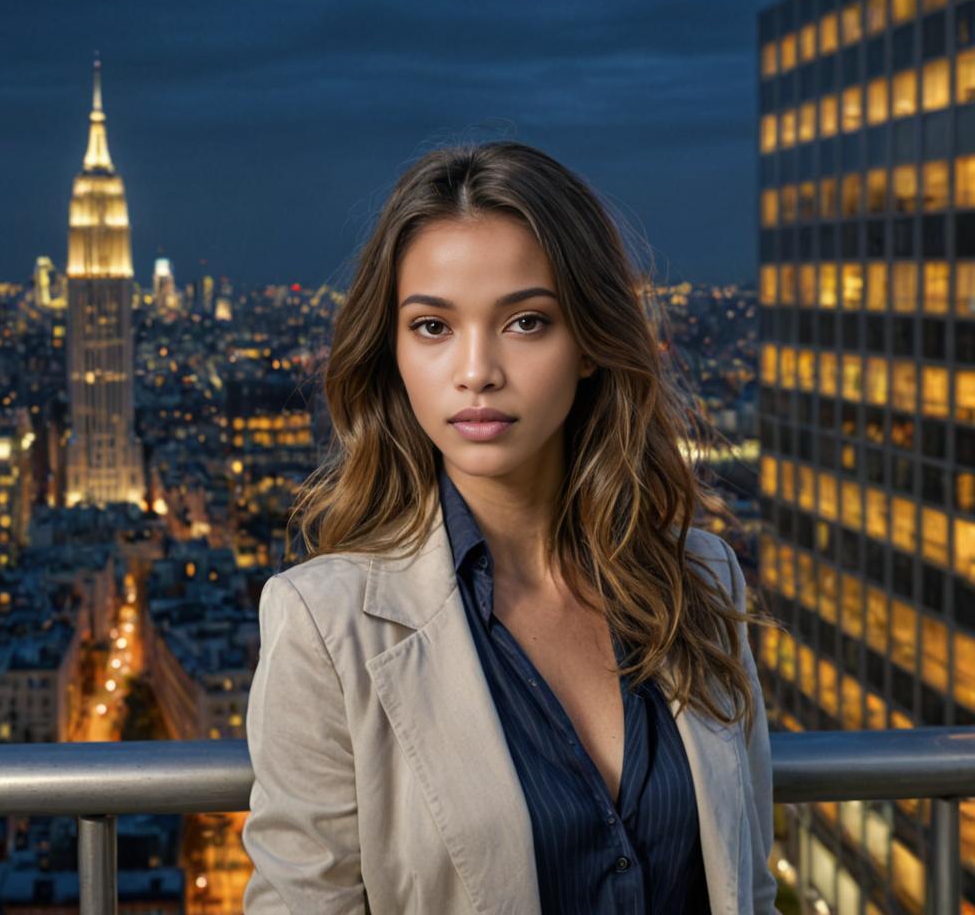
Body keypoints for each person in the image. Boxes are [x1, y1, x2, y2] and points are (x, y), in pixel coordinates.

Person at [241, 140, 779, 914]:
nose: (476, 370)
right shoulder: (327, 626)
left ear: (591, 343)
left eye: (526, 322)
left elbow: (748, 885)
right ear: (391, 351)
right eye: (432, 327)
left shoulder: (699, 580)